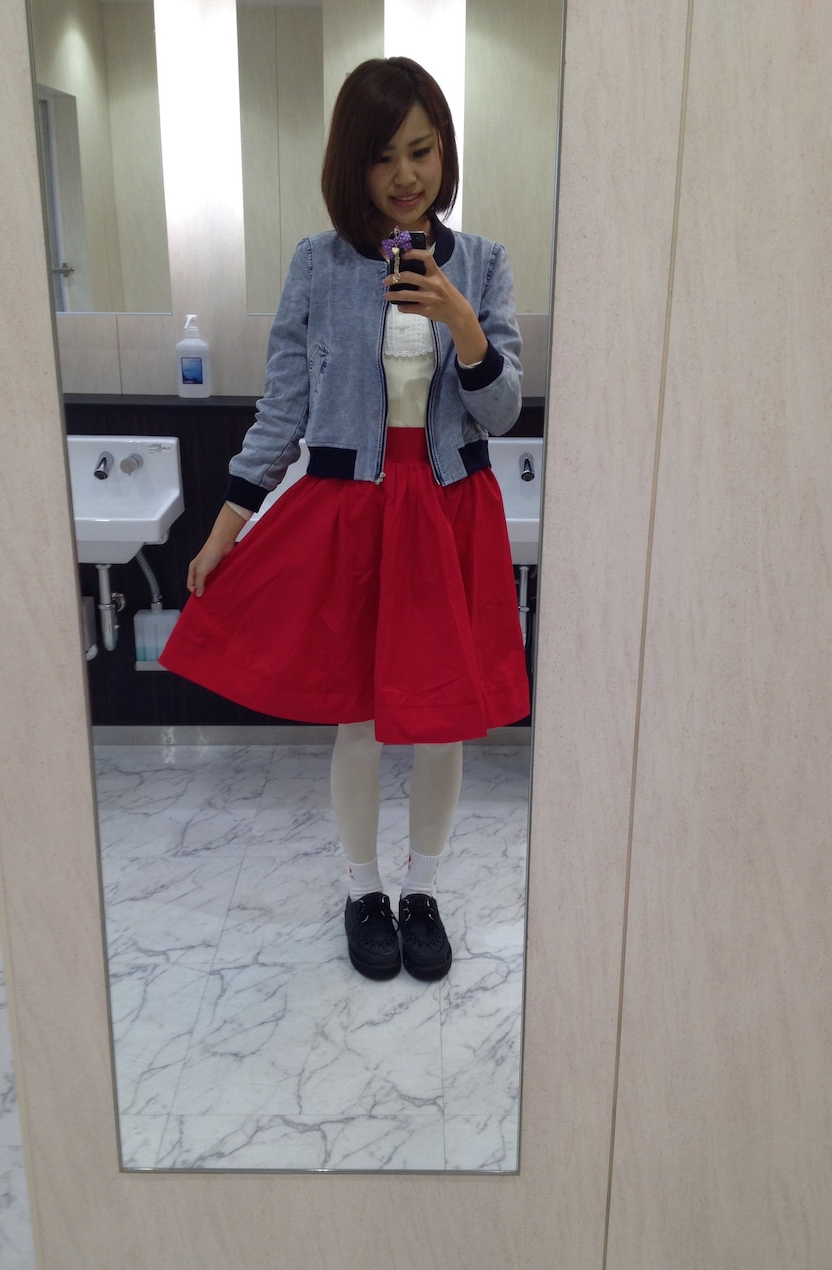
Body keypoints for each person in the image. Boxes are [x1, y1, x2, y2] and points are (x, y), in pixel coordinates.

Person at [159, 56, 530, 984]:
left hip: (447, 513)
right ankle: (364, 890)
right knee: (358, 718)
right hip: (349, 514)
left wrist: (462, 321)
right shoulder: (317, 266)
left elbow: (500, 412)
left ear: (444, 152)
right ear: (350, 164)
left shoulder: (483, 264)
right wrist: (223, 530)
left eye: (422, 151)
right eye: (382, 156)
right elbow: (282, 410)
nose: (406, 175)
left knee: (441, 723)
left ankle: (423, 890)